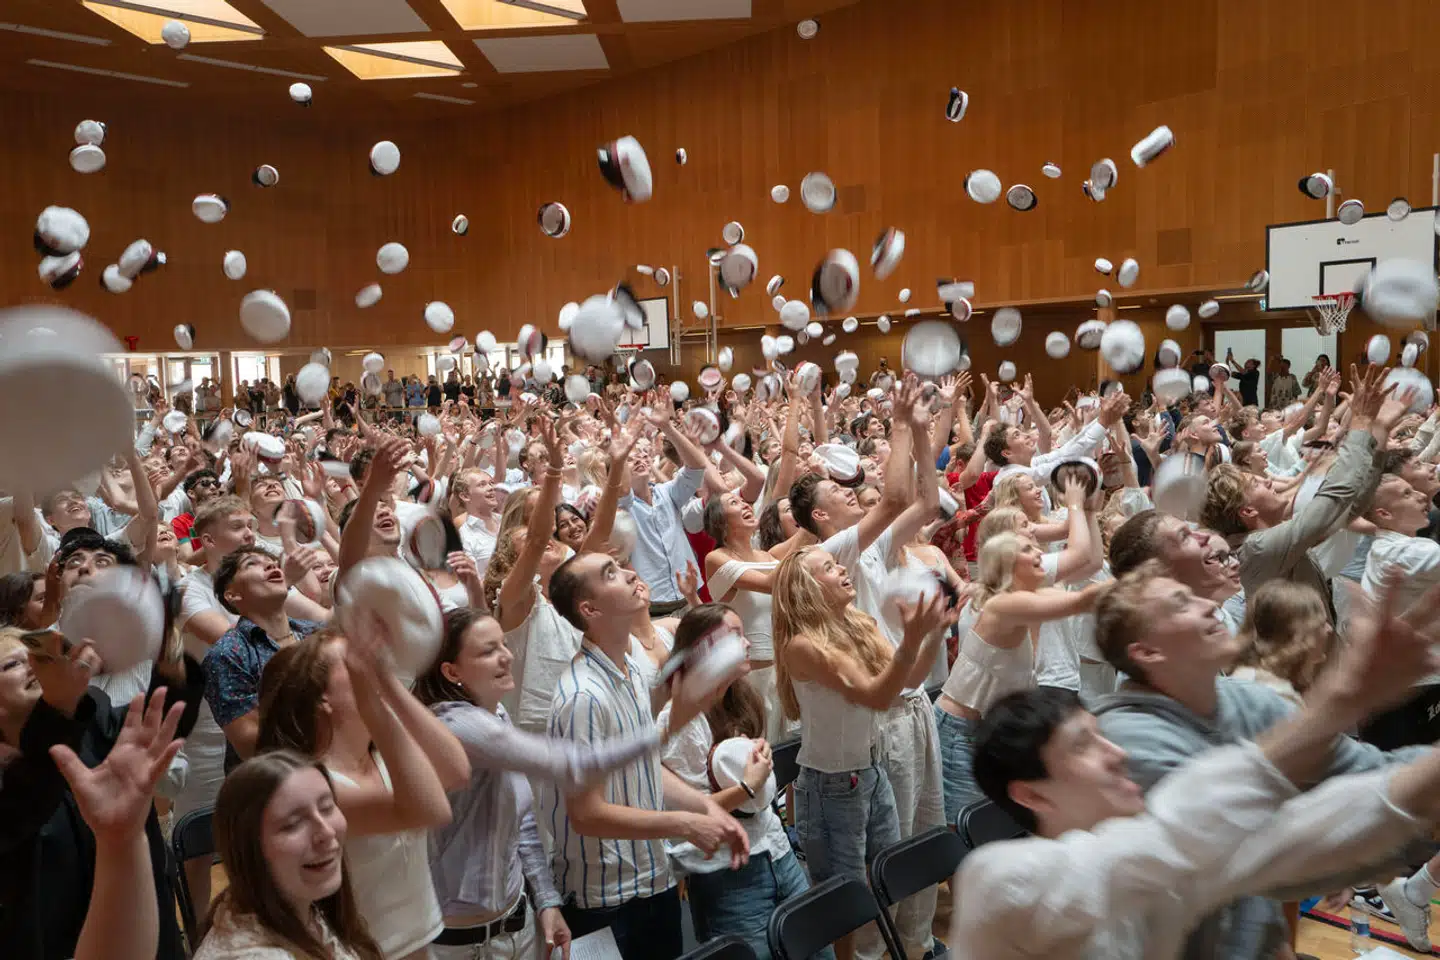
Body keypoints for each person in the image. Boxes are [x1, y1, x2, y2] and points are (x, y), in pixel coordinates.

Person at [952, 570, 1440, 958]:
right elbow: (1187, 831)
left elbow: (1294, 837)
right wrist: (1338, 701)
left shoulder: (1156, 859)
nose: (1117, 752)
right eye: (1085, 746)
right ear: (1032, 793)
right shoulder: (996, 879)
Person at [412, 607, 729, 960]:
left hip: (517, 926)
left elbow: (524, 824)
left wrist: (546, 901)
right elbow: (575, 764)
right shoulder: (456, 725)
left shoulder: (497, 714)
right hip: (462, 945)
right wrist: (669, 726)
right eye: (488, 651)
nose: (506, 656)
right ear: (452, 671)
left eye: (503, 644)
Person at [542, 551, 749, 960]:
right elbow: (585, 814)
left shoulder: (634, 670)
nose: (629, 573)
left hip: (653, 881)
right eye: (611, 573)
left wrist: (706, 808)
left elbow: (645, 767)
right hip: (604, 901)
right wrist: (684, 822)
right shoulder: (583, 697)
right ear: (589, 609)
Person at [772, 546, 953, 960]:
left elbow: (908, 682)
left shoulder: (859, 623)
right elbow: (876, 698)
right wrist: (911, 638)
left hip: (870, 772)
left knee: (884, 881)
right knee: (843, 905)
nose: (841, 569)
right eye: (828, 567)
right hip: (829, 785)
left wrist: (934, 633)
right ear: (806, 589)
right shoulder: (803, 646)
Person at [256, 623, 468, 960]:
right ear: (322, 697)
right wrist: (378, 700)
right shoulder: (318, 787)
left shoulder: (384, 757)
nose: (370, 668)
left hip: (421, 942)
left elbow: (456, 770)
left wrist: (389, 687)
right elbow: (430, 810)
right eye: (353, 665)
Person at [0, 627, 203, 960]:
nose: (35, 666)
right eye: (12, 664)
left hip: (147, 926)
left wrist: (170, 662)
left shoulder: (91, 714)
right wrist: (59, 708)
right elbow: (28, 798)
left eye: (38, 658)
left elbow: (159, 724)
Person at [657, 603, 822, 960]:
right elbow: (691, 814)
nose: (747, 644)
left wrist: (759, 763)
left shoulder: (740, 697)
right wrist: (746, 786)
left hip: (775, 849)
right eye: (735, 636)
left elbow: (757, 778)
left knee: (817, 949)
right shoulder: (679, 721)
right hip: (727, 872)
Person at [1201, 365, 1403, 605]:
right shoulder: (1257, 548)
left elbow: (1348, 508)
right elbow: (1334, 499)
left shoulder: (1272, 537)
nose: (1268, 480)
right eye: (1256, 483)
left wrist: (1379, 433)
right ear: (1248, 510)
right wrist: (1360, 422)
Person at [194, 750, 384, 960]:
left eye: (327, 808)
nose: (327, 832)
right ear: (249, 849)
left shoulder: (307, 910)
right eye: (293, 824)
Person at [203, 546, 324, 765]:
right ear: (232, 595)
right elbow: (253, 746)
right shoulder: (227, 654)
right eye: (251, 563)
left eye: (273, 562)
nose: (270, 565)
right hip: (283, 778)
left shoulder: (315, 633)